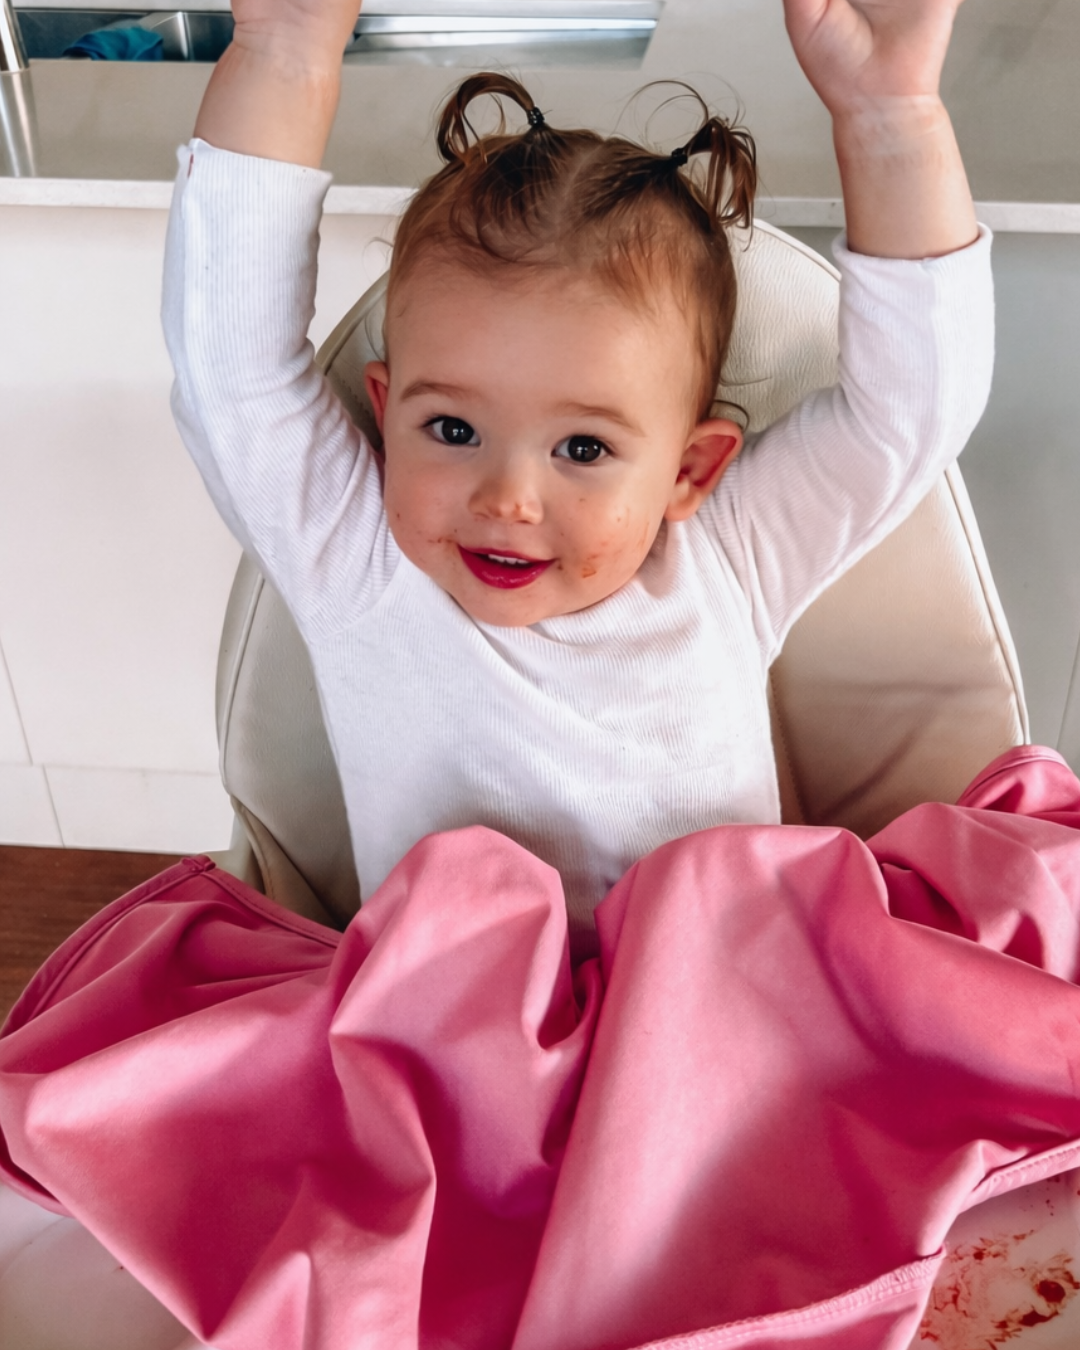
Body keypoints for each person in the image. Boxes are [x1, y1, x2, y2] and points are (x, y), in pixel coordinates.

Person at [164, 0, 989, 964]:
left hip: (728, 1036)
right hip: (451, 1068)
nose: (507, 496)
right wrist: (283, 49)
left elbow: (909, 415)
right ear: (385, 413)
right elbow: (234, 374)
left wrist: (892, 119)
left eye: (584, 450)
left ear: (690, 470)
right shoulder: (355, 558)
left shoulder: (729, 555)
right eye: (454, 428)